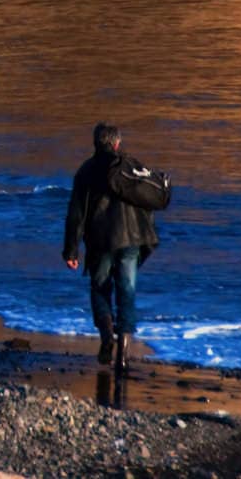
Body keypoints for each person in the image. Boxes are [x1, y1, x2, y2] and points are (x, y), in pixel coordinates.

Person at [62, 121, 161, 368]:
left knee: (99, 288)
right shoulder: (131, 167)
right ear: (117, 143)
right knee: (127, 290)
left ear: (95, 142)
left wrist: (71, 249)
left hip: (100, 241)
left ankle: (107, 336)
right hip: (132, 239)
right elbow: (148, 202)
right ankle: (124, 348)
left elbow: (76, 215)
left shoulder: (85, 171)